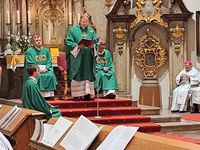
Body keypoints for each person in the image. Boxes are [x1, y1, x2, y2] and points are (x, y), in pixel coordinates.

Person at [65, 13, 99, 100]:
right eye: (83, 21)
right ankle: (77, 95)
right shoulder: (73, 30)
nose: (84, 23)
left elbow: (96, 42)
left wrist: (93, 46)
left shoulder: (91, 31)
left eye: (86, 21)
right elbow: (68, 42)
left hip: (88, 58)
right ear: (80, 20)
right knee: (77, 73)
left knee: (88, 74)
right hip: (77, 57)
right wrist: (77, 46)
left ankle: (88, 94)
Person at [24, 34, 57, 98]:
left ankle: (49, 95)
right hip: (35, 70)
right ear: (33, 42)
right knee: (40, 76)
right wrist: (38, 69)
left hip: (45, 69)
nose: (39, 41)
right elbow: (30, 62)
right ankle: (38, 95)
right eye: (36, 40)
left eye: (40, 40)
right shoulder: (29, 51)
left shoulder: (46, 51)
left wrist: (47, 68)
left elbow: (49, 61)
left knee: (51, 75)